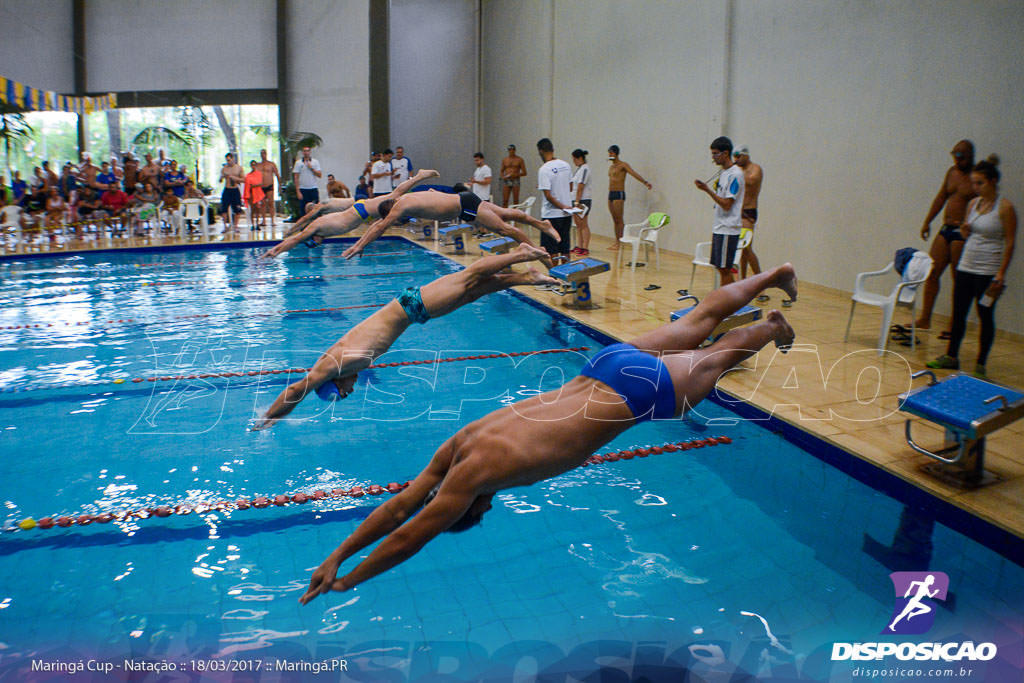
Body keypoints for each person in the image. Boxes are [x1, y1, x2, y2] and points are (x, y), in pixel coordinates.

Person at [296, 264, 799, 603]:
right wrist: (336, 553)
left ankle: (772, 326)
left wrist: (350, 579)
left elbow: (409, 531)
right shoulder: (460, 445)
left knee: (721, 355)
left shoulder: (468, 482)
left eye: (481, 509)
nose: (489, 505)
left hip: (635, 395)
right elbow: (402, 503)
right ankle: (776, 274)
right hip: (603, 367)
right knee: (698, 320)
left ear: (467, 505)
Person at [255, 243, 560, 429]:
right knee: (471, 293)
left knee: (469, 279)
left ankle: (520, 254)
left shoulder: (334, 364)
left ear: (332, 383)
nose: (348, 393)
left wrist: (268, 418)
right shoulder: (349, 368)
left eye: (341, 393)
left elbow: (297, 389)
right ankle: (525, 277)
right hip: (415, 312)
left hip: (411, 305)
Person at [927, 156, 1016, 377]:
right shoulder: (973, 204)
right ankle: (951, 356)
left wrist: (1001, 273)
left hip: (987, 270)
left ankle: (980, 363)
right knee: (958, 312)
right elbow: (968, 233)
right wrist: (965, 232)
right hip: (967, 264)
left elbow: (1011, 241)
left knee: (985, 314)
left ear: (993, 181)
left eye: (980, 183)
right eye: (974, 183)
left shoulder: (1005, 208)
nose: (975, 187)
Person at [341, 180, 562, 263]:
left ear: (390, 209)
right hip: (464, 201)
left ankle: (537, 252)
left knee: (504, 228)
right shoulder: (403, 197)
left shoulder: (399, 206)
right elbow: (423, 186)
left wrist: (359, 245)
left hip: (463, 206)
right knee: (507, 214)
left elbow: (379, 226)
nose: (395, 221)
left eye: (392, 217)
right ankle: (542, 224)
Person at [262, 169, 440, 258]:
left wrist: (275, 251)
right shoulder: (321, 230)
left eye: (314, 244)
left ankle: (419, 177)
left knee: (395, 197)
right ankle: (428, 195)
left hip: (360, 211)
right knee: (399, 206)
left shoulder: (315, 227)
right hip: (362, 213)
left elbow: (295, 240)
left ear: (312, 239)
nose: (318, 244)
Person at [916, 140, 978, 334]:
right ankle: (925, 318)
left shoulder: (976, 177)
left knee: (958, 280)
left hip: (962, 233)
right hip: (946, 229)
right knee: (932, 272)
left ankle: (955, 324)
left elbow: (982, 204)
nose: (957, 160)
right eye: (954, 155)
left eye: (961, 156)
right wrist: (927, 221)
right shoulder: (952, 173)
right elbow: (941, 197)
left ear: (970, 156)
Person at [694, 136, 744, 287]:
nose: (713, 158)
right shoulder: (723, 173)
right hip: (719, 226)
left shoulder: (735, 175)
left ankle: (729, 303)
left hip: (729, 228)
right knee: (720, 267)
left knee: (724, 269)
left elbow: (727, 204)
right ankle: (727, 301)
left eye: (715, 154)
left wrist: (707, 190)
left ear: (725, 153)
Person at [732, 145, 766, 297]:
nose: (736, 160)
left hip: (749, 212)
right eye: (734, 157)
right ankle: (743, 280)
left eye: (738, 156)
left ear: (746, 155)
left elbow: (751, 182)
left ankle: (761, 282)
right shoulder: (737, 170)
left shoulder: (755, 169)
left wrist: (732, 173)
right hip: (736, 212)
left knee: (747, 248)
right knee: (740, 250)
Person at [607, 145, 652, 250]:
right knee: (614, 220)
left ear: (616, 154)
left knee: (619, 219)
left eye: (611, 153)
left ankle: (621, 242)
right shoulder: (611, 167)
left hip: (619, 193)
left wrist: (645, 182)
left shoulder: (623, 165)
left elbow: (634, 174)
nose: (609, 155)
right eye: (609, 153)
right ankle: (616, 240)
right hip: (611, 194)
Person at [536, 138, 573, 264]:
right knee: (565, 248)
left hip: (551, 215)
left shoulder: (544, 169)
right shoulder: (566, 165)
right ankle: (566, 278)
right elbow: (570, 187)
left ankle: (554, 279)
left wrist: (561, 206)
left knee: (551, 250)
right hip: (566, 214)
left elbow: (549, 196)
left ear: (540, 151)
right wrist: (565, 206)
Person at [570, 149, 592, 256]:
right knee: (578, 224)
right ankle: (579, 246)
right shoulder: (579, 169)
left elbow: (581, 186)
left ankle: (585, 247)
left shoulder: (585, 169)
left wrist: (577, 201)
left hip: (583, 200)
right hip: (575, 200)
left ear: (580, 158)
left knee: (583, 224)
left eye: (574, 159)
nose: (573, 161)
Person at [220, 152, 245, 234]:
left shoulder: (239, 168)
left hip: (235, 190)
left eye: (229, 160)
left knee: (237, 209)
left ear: (233, 159)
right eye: (227, 160)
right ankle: (225, 226)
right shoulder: (224, 168)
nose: (228, 162)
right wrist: (222, 177)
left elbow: (243, 180)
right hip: (227, 189)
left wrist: (234, 178)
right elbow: (220, 180)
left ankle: (236, 226)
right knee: (224, 209)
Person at [257, 149, 281, 227]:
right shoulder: (258, 165)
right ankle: (263, 220)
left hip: (269, 186)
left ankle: (272, 220)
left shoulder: (271, 164)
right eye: (261, 153)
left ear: (266, 154)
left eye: (264, 153)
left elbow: (277, 175)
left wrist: (279, 186)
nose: (263, 155)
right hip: (261, 187)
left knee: (271, 203)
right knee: (263, 204)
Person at [244, 160, 266, 228]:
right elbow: (247, 185)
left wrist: (254, 186)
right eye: (252, 165)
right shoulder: (248, 175)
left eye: (254, 165)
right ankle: (252, 224)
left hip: (258, 193)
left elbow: (261, 183)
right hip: (251, 194)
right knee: (252, 209)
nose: (253, 166)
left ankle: (257, 223)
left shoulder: (259, 174)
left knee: (257, 209)